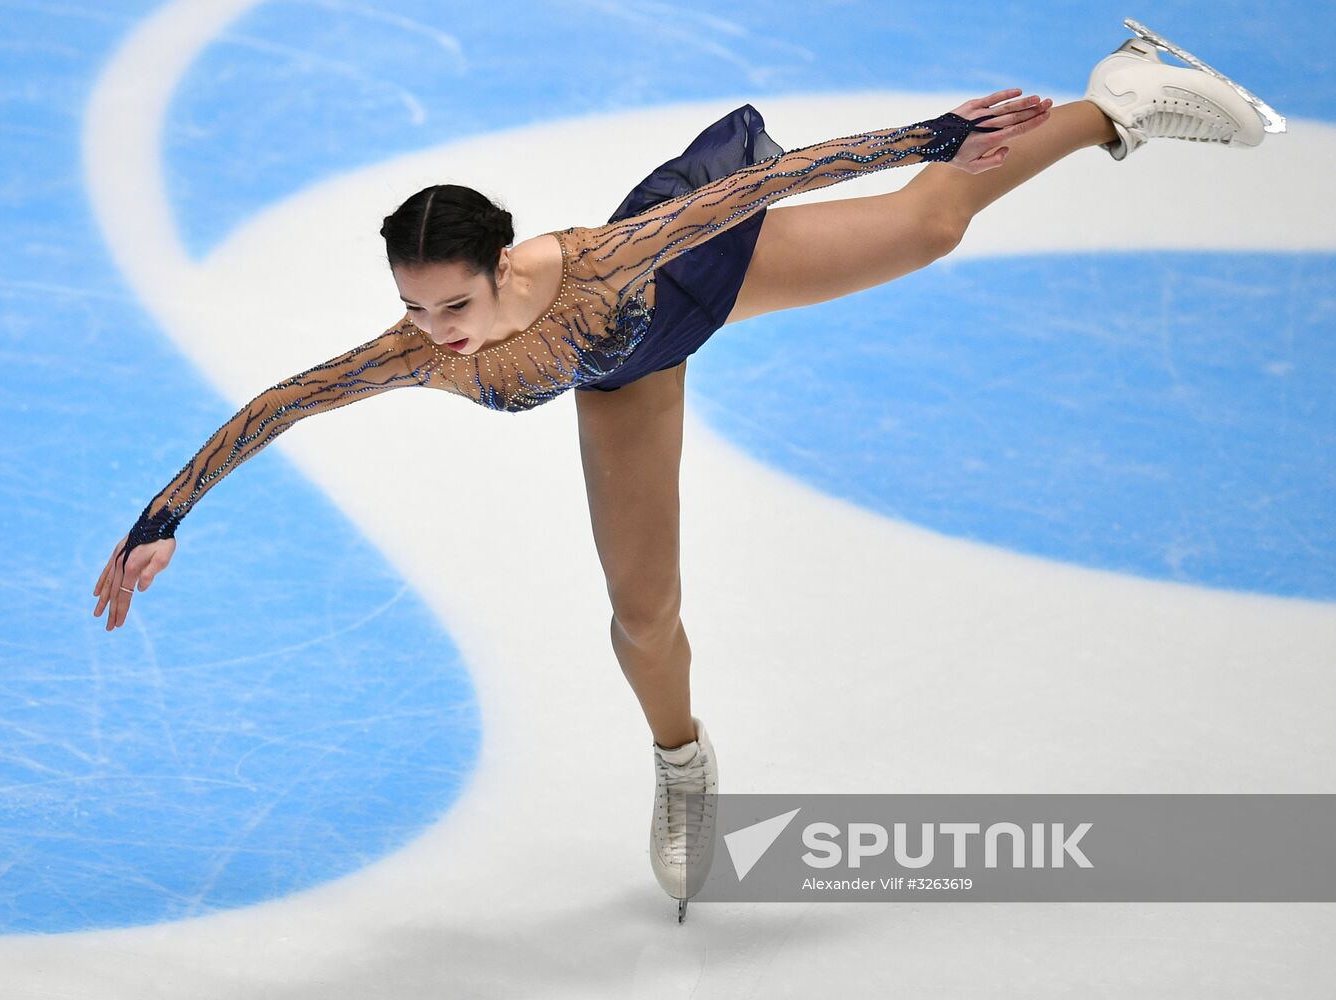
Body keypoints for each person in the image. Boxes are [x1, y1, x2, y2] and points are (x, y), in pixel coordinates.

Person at [92, 23, 1282, 921]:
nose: (436, 330)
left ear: (501, 265)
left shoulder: (602, 260)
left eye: (453, 301)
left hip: (690, 285)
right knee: (642, 613)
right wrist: (166, 513)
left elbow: (756, 188)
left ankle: (1117, 97)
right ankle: (682, 761)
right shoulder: (420, 353)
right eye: (413, 306)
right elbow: (284, 401)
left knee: (926, 224)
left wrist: (927, 138)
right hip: (625, 379)